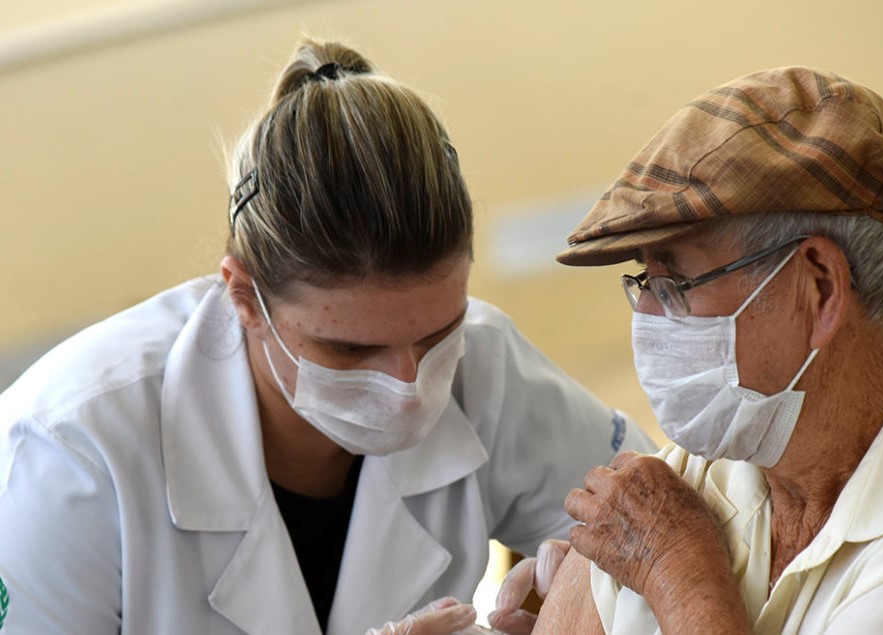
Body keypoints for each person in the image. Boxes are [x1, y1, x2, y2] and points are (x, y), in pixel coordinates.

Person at [0, 38, 655, 635]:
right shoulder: (69, 451)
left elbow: (665, 527)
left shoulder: (486, 362)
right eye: (350, 350)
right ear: (242, 295)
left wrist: (575, 598)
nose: (407, 382)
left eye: (437, 333)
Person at [521, 67, 883, 634]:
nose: (646, 319)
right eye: (644, 284)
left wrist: (680, 575)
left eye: (675, 284)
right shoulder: (688, 478)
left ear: (817, 288)